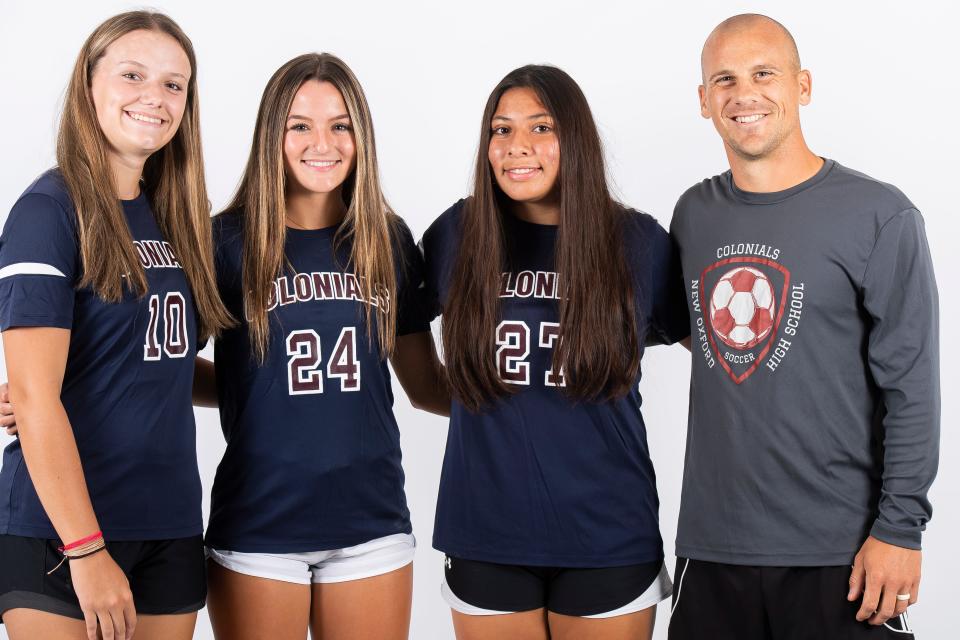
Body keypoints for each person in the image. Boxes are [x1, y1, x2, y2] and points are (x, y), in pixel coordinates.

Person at [667, 14, 939, 639]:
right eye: (724, 79)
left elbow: (913, 389)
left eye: (764, 73)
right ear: (705, 100)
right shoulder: (693, 213)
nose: (744, 94)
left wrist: (900, 529)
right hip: (713, 549)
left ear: (803, 86)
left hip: (839, 554)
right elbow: (697, 332)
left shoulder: (879, 214)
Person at [420, 65, 688, 640]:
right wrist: (496, 404)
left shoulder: (638, 243)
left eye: (542, 128)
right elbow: (419, 378)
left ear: (576, 139)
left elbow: (722, 365)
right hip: (487, 529)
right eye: (501, 129)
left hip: (608, 531)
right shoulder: (456, 234)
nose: (518, 146)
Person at [198, 53, 448, 640]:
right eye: (300, 125)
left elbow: (425, 385)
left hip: (371, 521)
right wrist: (62, 391)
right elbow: (165, 365)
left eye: (340, 124)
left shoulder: (387, 238)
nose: (323, 143)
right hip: (259, 526)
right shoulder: (225, 242)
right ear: (271, 135)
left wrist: (536, 401)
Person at [0, 11, 231, 640]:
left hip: (170, 522)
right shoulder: (48, 211)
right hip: (60, 531)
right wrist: (85, 549)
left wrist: (275, 389)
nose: (154, 97)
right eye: (133, 75)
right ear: (88, 84)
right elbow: (35, 394)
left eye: (174, 84)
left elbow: (165, 365)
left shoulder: (179, 217)